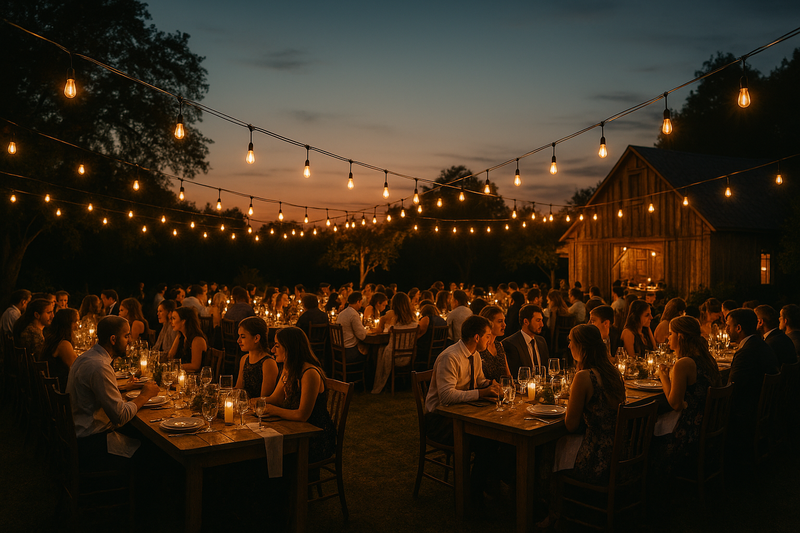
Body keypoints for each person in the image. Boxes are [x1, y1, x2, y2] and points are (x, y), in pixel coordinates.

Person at [424, 315, 501, 502]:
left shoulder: (475, 355)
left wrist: (490, 384)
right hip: (439, 420)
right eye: (488, 336)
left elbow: (478, 380)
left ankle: (489, 486)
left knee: (496, 435)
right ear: (477, 337)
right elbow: (447, 396)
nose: (490, 340)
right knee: (486, 441)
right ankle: (474, 495)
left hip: (461, 413)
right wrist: (482, 394)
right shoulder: (450, 357)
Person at [66, 316, 160, 468]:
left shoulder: (87, 357)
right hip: (91, 444)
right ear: (113, 339)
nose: (129, 340)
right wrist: (145, 395)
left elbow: (93, 392)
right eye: (126, 336)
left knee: (139, 434)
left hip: (77, 434)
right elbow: (120, 416)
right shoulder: (100, 367)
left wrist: (123, 388)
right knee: (153, 449)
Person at [654, 316, 722, 471]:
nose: (667, 337)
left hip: (689, 435)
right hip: (709, 427)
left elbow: (675, 404)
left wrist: (663, 376)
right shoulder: (707, 358)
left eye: (671, 333)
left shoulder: (684, 363)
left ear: (681, 336)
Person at [261, 327, 336, 463]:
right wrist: (252, 402)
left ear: (290, 348)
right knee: (262, 449)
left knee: (265, 454)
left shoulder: (309, 373)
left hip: (313, 437)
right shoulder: (288, 368)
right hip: (293, 430)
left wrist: (273, 410)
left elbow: (302, 415)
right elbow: (275, 399)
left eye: (277, 346)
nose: (272, 350)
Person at [564, 324, 627, 483]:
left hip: (595, 458)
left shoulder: (584, 377)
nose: (569, 345)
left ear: (581, 346)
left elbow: (570, 425)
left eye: (571, 341)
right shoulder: (613, 372)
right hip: (621, 453)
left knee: (547, 450)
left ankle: (551, 503)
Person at [726, 308, 779, 453]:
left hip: (746, 412)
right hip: (763, 407)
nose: (726, 329)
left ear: (738, 328)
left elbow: (732, 389)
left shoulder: (746, 353)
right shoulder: (761, 345)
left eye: (728, 326)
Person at [372, 292, 419, 393]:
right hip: (409, 356)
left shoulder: (394, 323)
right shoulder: (414, 322)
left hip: (393, 356)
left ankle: (376, 382)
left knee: (380, 349)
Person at [234, 317, 279, 399]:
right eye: (239, 336)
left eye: (243, 337)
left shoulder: (268, 363)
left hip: (257, 409)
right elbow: (238, 389)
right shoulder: (244, 359)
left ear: (256, 338)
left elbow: (264, 400)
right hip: (243, 407)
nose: (238, 340)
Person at [39, 307, 80, 392]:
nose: (77, 325)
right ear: (66, 324)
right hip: (60, 391)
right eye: (75, 322)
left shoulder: (53, 339)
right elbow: (77, 369)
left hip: (53, 388)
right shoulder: (63, 344)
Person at [503, 304, 550, 376]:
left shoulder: (541, 341)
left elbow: (546, 370)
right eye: (538, 320)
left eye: (541, 320)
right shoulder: (511, 344)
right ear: (526, 322)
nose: (542, 324)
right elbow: (515, 374)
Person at [168, 307, 208, 373]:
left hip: (194, 377)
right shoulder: (181, 336)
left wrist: (176, 366)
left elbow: (195, 366)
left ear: (183, 321)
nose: (171, 321)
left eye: (174, 318)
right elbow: (170, 356)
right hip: (183, 374)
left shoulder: (197, 340)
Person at [477, 305, 511, 382]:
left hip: (502, 389)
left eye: (504, 321)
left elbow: (508, 375)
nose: (504, 325)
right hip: (485, 391)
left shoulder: (499, 345)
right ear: (488, 324)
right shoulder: (479, 347)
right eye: (500, 321)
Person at [336, 292, 368, 364]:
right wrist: (366, 330)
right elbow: (362, 336)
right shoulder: (353, 314)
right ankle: (364, 374)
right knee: (371, 353)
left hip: (339, 350)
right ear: (358, 301)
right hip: (349, 351)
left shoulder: (342, 313)